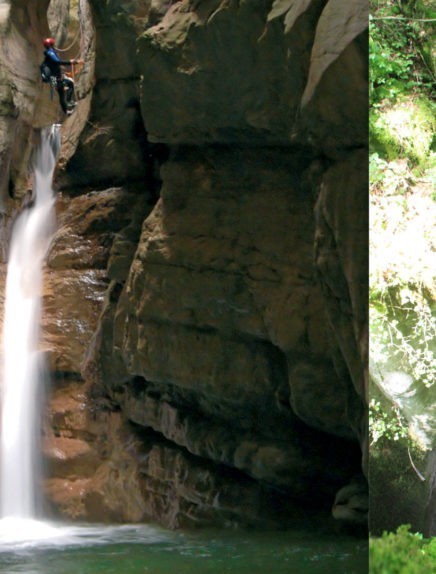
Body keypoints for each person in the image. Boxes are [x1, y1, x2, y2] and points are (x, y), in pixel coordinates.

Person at [42, 37, 83, 115]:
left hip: (55, 77)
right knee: (62, 92)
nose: (54, 45)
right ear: (51, 45)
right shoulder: (50, 53)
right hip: (54, 78)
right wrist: (71, 62)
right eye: (53, 44)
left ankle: (68, 104)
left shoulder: (50, 52)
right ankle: (67, 109)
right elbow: (58, 62)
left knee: (69, 84)